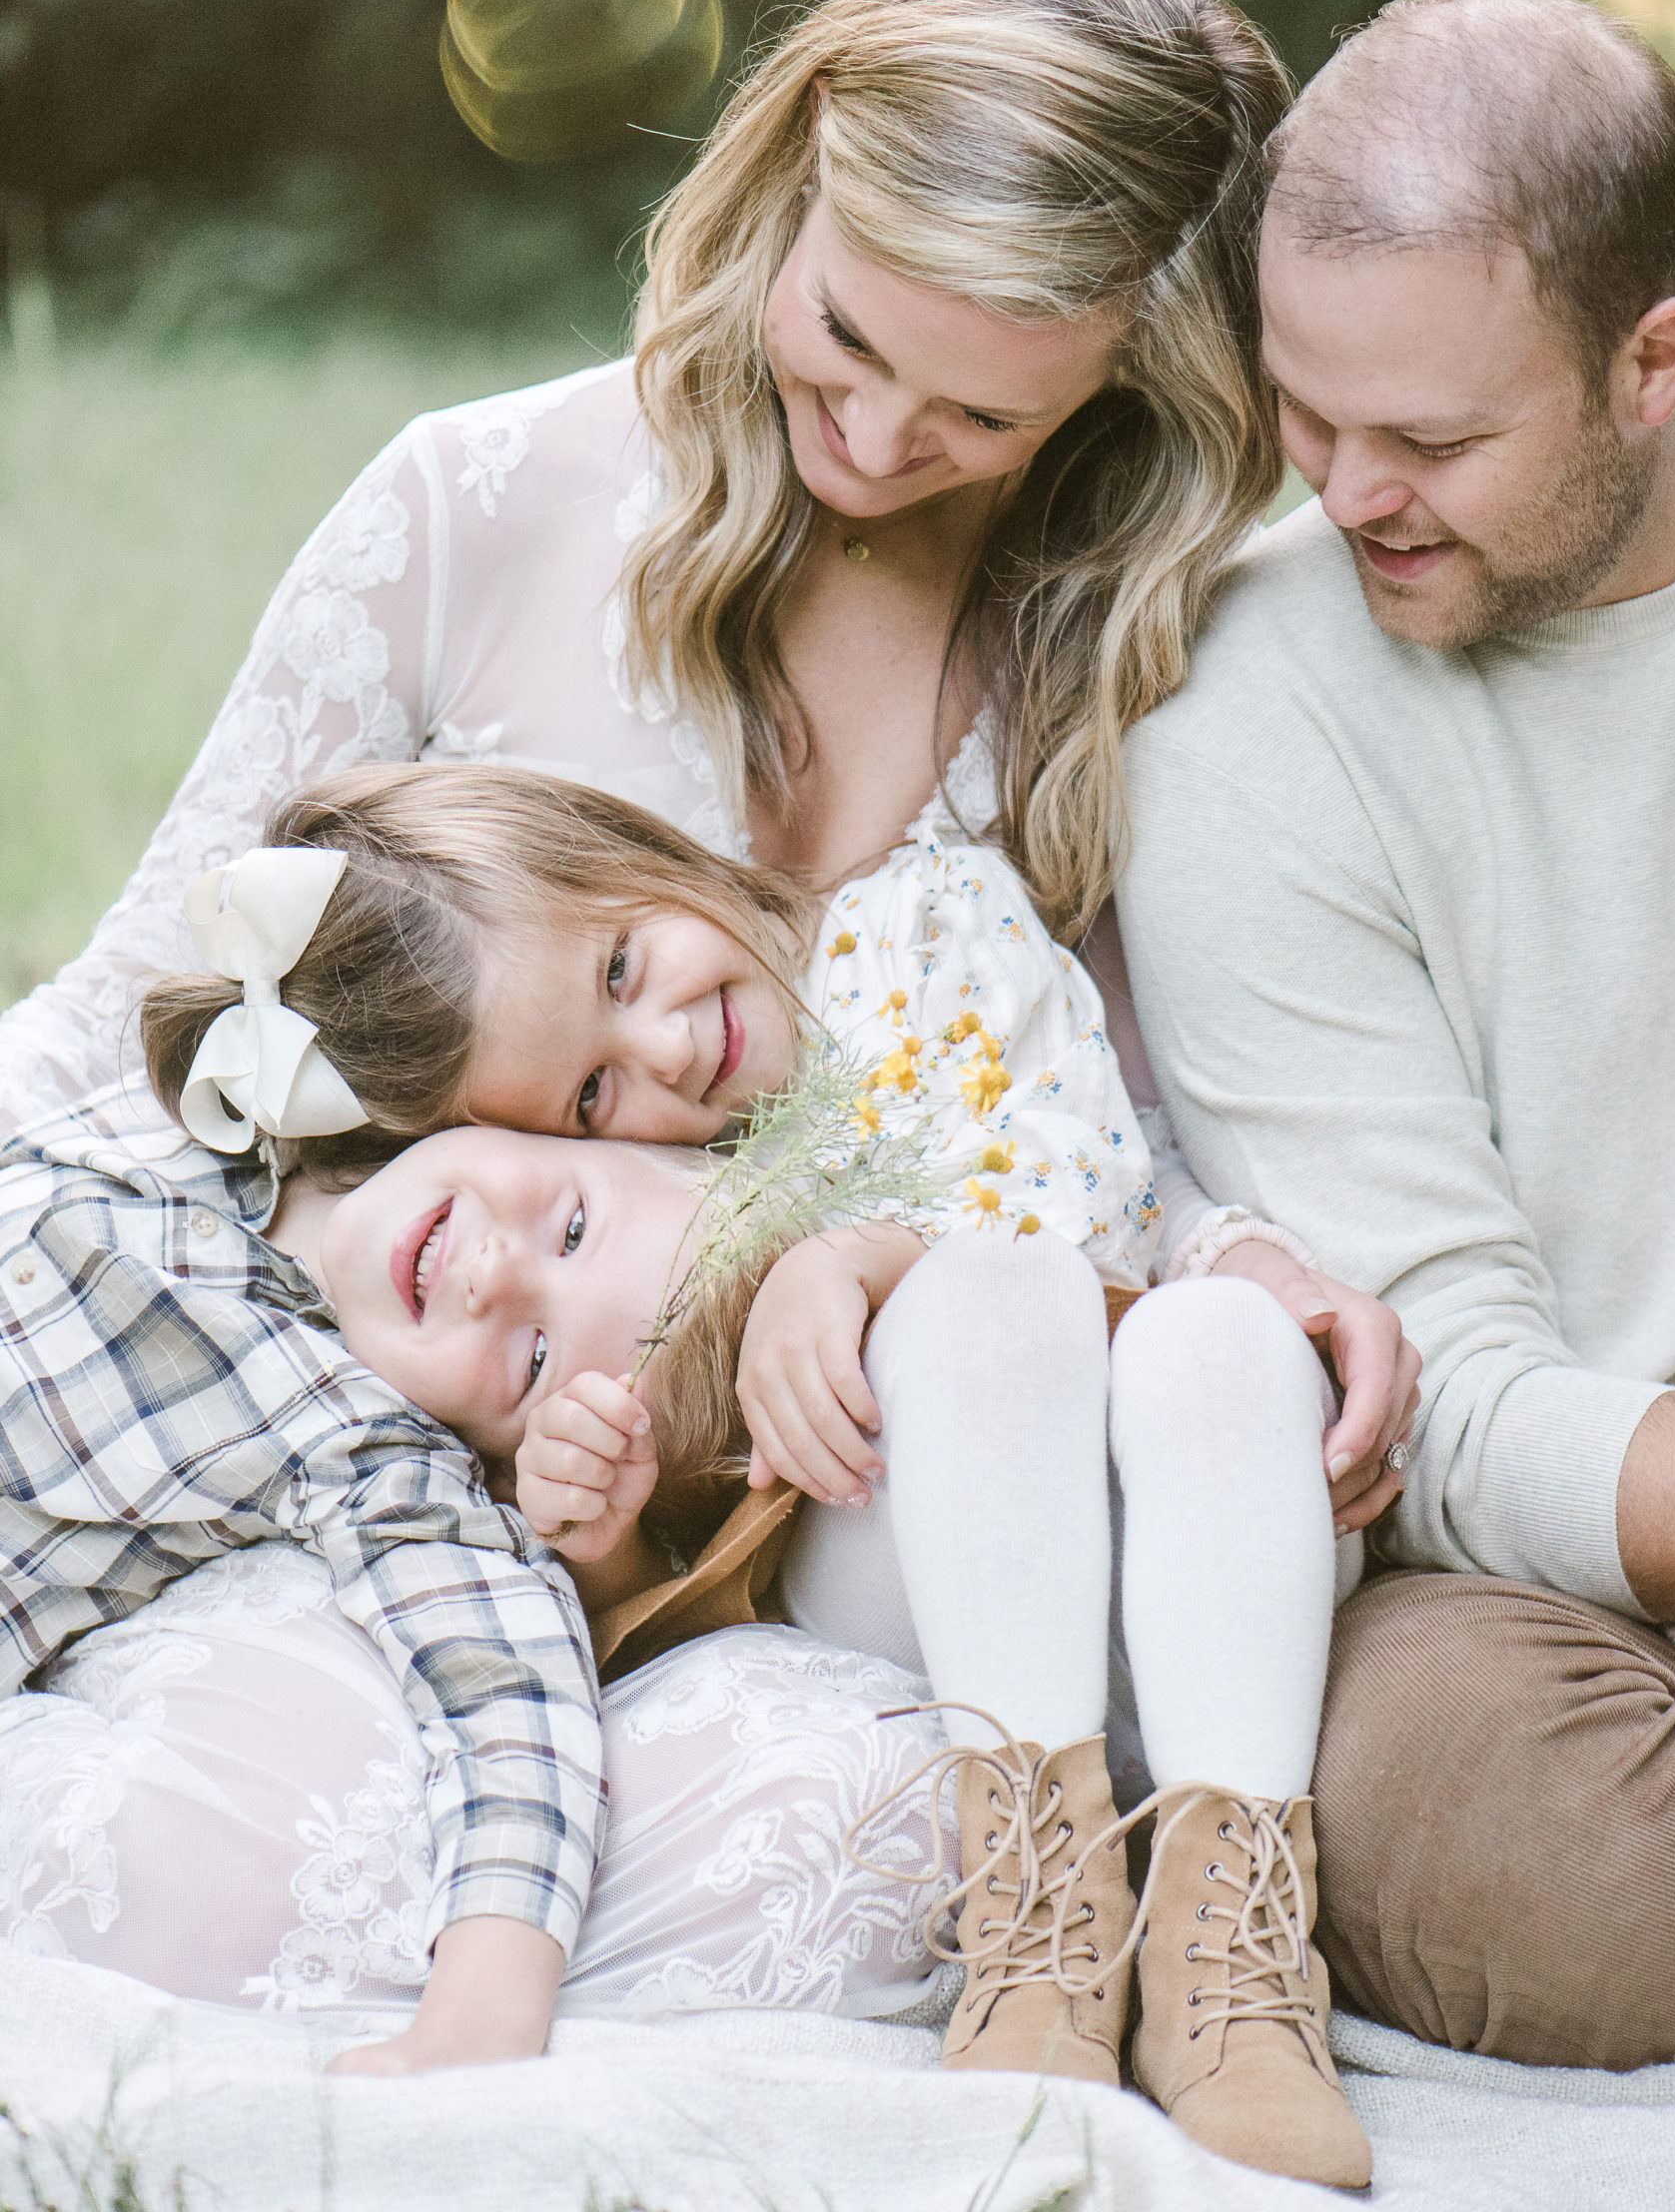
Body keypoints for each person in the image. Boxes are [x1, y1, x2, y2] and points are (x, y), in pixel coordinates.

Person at [140, 761, 1411, 2185]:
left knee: (1216, 1337)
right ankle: (1038, 1925)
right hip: (975, 1594)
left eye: (626, 963)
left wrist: (1246, 1260)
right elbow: (698, 1561)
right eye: (595, 1087)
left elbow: (1099, 1172)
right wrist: (603, 1525)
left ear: (635, 845)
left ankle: (1236, 1976)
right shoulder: (678, 1197)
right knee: (972, 1321)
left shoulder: (921, 923)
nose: (668, 1052)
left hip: (1215, 1530)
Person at [1119, 0, 1675, 2071]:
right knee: (1462, 1815)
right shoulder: (1242, 710)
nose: (1351, 491)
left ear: (1652, 362)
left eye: (1433, 438)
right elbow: (1425, 1399)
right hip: (1548, 1581)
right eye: (1305, 413)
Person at [0, 1068, 960, 2045]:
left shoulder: (364, 1450)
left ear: (495, 1465)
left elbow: (509, 1696)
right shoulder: (298, 1091)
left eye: (535, 1356)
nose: (495, 1273)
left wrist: (476, 2017)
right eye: (573, 1227)